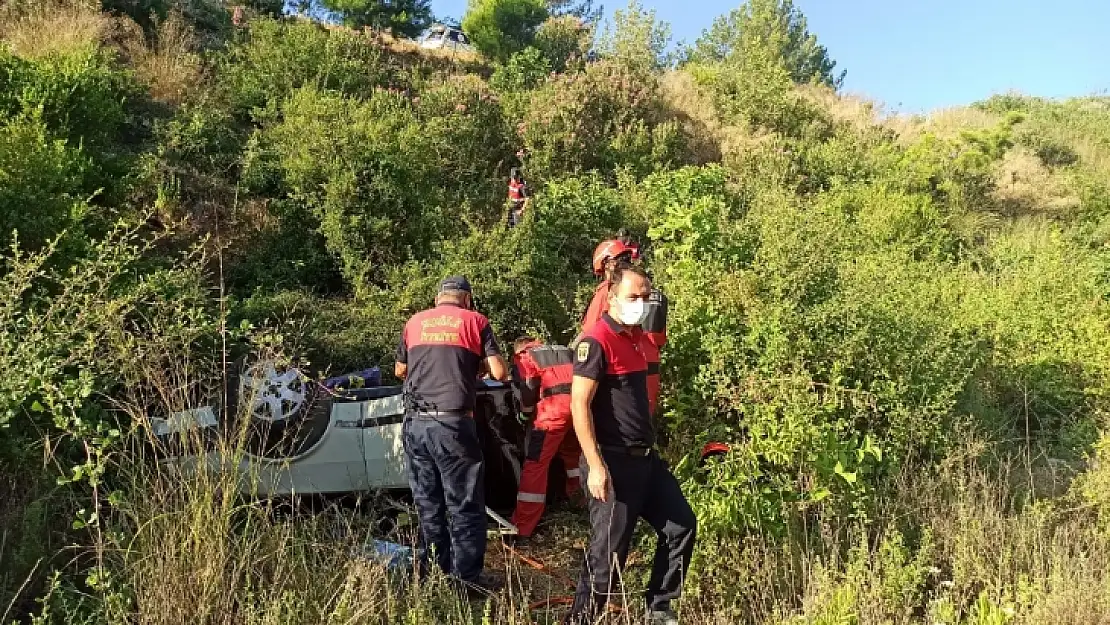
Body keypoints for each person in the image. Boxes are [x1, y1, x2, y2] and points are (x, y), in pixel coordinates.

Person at [565, 264, 696, 625]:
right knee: (608, 557)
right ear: (611, 298)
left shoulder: (638, 337)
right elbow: (579, 405)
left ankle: (658, 607)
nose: (639, 303)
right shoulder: (596, 341)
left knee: (681, 526)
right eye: (632, 297)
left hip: (645, 461)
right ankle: (581, 620)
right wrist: (594, 465)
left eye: (644, 297)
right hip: (612, 463)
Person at [395, 275, 508, 594]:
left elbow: (400, 371)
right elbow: (499, 372)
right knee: (464, 503)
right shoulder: (475, 321)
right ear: (467, 300)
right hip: (453, 425)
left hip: (416, 424)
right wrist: (474, 368)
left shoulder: (414, 322)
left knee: (428, 502)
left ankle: (432, 572)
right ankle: (466, 580)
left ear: (438, 299)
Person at [580, 237, 668, 416]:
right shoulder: (650, 292)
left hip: (622, 370)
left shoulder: (609, 291)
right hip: (649, 367)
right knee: (642, 422)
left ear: (607, 265)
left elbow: (589, 331)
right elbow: (659, 338)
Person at [508, 337, 583, 542]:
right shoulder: (564, 349)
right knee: (573, 457)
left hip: (554, 412)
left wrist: (524, 415)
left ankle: (523, 528)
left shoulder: (525, 356)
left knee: (535, 464)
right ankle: (579, 503)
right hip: (581, 406)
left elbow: (528, 386)